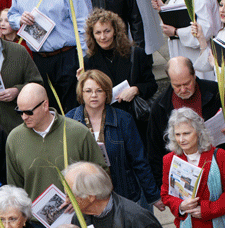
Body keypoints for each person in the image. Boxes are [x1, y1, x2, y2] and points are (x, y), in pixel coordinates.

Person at [6, 83, 108, 227]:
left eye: (29, 112)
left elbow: (101, 173)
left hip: (78, 220)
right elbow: (14, 187)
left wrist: (81, 198)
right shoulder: (14, 139)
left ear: (45, 105)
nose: (24, 117)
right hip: (36, 225)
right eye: (19, 112)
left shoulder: (78, 133)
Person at [66, 70, 161, 210]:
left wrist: (153, 196)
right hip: (88, 197)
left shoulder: (123, 119)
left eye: (99, 90)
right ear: (81, 93)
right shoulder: (70, 120)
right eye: (88, 91)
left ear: (107, 93)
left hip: (124, 193)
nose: (93, 95)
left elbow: (139, 161)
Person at [147, 56, 225, 188]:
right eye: (177, 85)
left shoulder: (214, 90)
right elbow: (154, 150)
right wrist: (160, 186)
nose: (183, 89)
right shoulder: (160, 107)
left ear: (194, 76)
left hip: (216, 168)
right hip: (183, 177)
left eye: (187, 83)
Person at [81, 9, 157, 143]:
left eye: (107, 31)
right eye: (98, 32)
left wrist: (136, 89)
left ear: (115, 31)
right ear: (92, 35)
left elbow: (151, 85)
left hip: (136, 121)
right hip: (109, 122)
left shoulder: (136, 54)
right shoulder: (89, 61)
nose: (103, 37)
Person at [192, 0, 225, 179]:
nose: (222, 10)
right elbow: (206, 64)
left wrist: (215, 65)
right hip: (224, 101)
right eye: (221, 5)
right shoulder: (222, 32)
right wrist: (202, 41)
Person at [7, 0, 89, 113]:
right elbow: (11, 15)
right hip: (40, 59)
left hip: (67, 56)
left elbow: (83, 24)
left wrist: (84, 59)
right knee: (47, 107)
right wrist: (19, 20)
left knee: (73, 106)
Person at [152, 0, 221, 80]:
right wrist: (164, 8)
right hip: (181, 49)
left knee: (197, 81)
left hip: (197, 53)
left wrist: (176, 32)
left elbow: (205, 30)